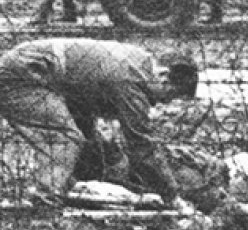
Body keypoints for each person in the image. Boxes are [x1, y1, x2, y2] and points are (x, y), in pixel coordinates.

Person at [0, 38, 199, 203]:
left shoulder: (138, 61)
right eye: (169, 95)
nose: (161, 103)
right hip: (25, 76)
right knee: (64, 137)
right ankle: (44, 202)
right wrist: (171, 195)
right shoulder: (130, 79)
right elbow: (141, 144)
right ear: (164, 76)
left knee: (80, 137)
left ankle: (64, 188)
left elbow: (82, 110)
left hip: (33, 69)